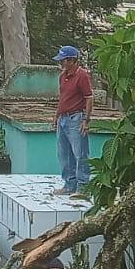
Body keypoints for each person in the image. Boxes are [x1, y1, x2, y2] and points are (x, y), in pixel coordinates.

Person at [52, 45, 94, 200]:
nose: (61, 63)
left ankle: (83, 187)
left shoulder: (82, 76)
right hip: (63, 117)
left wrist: (86, 120)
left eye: (63, 60)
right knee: (64, 153)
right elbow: (62, 98)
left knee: (80, 154)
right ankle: (69, 185)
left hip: (76, 118)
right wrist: (56, 116)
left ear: (71, 60)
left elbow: (89, 98)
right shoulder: (63, 76)